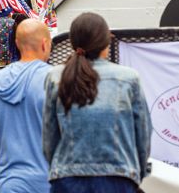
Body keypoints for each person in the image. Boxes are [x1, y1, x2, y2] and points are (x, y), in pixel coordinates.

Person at [43, 12, 152, 193]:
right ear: (105, 44)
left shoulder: (56, 77)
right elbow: (143, 135)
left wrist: (59, 169)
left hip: (67, 179)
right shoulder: (128, 78)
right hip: (118, 179)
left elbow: (49, 137)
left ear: (73, 43)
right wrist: (135, 174)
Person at [0, 19, 52, 193]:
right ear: (45, 43)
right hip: (49, 182)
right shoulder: (58, 81)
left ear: (17, 43)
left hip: (9, 184)